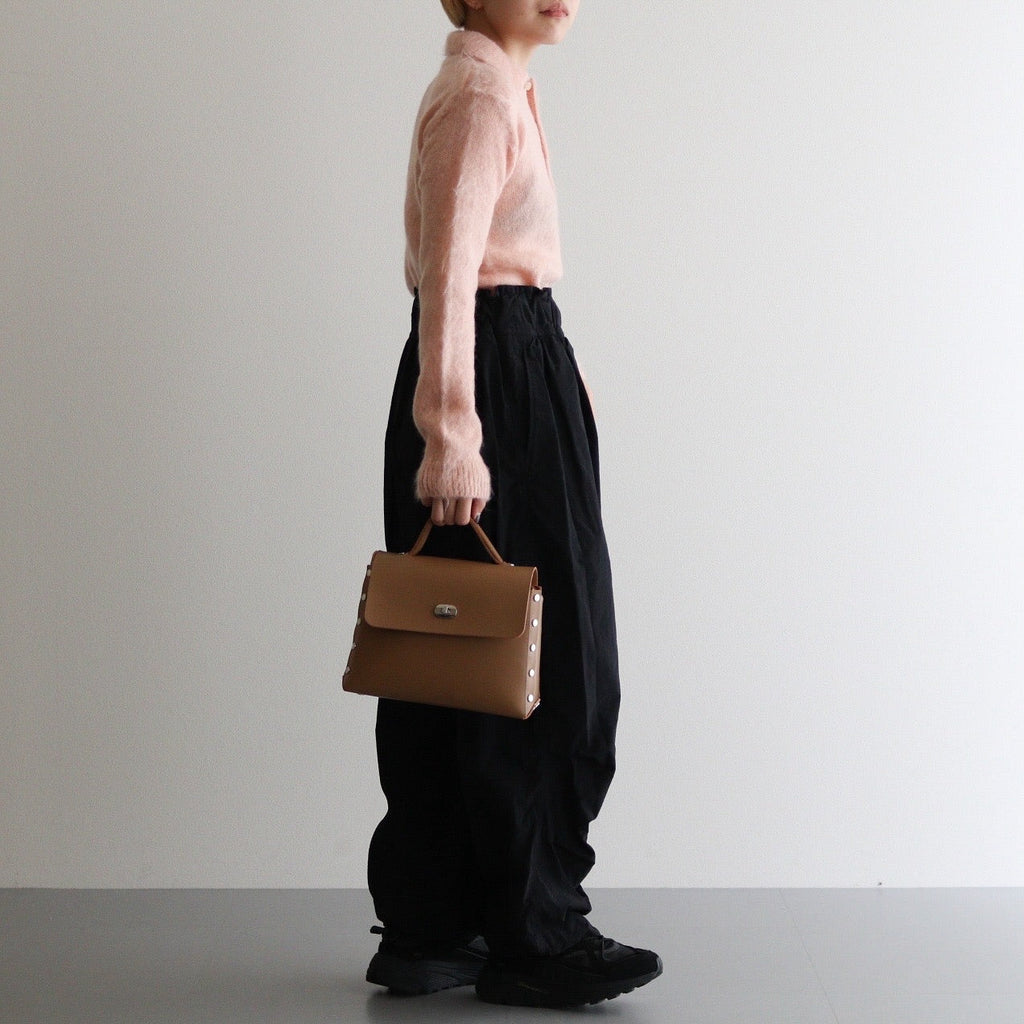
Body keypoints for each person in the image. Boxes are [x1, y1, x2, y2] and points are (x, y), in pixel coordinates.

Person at [364, 0, 662, 1008]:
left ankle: (437, 924)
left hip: (508, 368)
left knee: (461, 655)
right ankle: (534, 934)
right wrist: (455, 434)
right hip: (488, 383)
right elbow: (450, 280)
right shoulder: (481, 96)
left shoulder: (494, 86)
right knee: (537, 661)